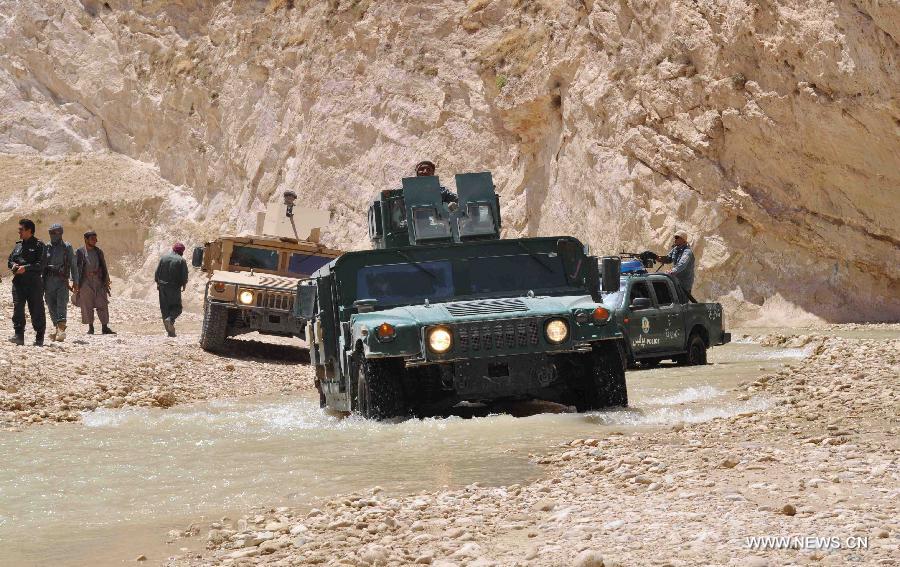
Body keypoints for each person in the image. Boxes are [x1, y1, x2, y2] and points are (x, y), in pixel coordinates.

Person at [7, 219, 47, 346]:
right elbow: (10, 260)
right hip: (18, 283)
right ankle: (19, 336)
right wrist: (13, 265)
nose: (19, 231)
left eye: (21, 229)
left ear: (29, 230)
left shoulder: (39, 245)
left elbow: (41, 264)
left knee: (36, 309)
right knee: (18, 307)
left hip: (33, 283)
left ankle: (39, 336)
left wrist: (26, 268)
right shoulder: (18, 245)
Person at [75, 230, 115, 335]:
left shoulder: (98, 251)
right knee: (87, 304)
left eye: (95, 238)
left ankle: (104, 327)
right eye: (92, 239)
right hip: (85, 282)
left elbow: (104, 266)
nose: (95, 241)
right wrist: (76, 283)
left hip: (98, 281)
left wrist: (106, 279)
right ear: (86, 239)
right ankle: (91, 328)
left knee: (102, 303)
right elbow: (76, 268)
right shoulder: (80, 252)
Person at [43, 223, 78, 342]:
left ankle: (61, 331)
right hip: (48, 282)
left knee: (61, 305)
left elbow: (73, 265)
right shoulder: (46, 247)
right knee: (50, 305)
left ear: (60, 233)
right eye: (50, 233)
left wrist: (75, 281)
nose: (52, 235)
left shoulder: (67, 247)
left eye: (54, 233)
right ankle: (57, 328)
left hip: (61, 281)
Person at [154, 242, 189, 337]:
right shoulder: (181, 260)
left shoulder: (163, 258)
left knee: (164, 308)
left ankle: (170, 332)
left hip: (162, 286)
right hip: (174, 287)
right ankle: (170, 320)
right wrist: (184, 285)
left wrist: (158, 283)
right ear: (182, 252)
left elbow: (157, 273)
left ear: (173, 249)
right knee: (177, 308)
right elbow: (184, 276)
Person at [658, 230, 695, 295]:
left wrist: (672, 271)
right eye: (675, 237)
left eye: (677, 237)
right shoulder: (675, 249)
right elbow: (668, 259)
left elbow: (682, 264)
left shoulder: (687, 252)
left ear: (683, 240)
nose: (675, 239)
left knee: (682, 303)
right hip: (676, 281)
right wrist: (657, 258)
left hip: (684, 283)